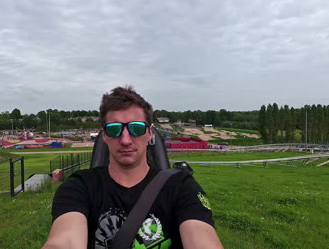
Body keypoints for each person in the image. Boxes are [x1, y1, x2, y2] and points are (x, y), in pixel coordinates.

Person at [43, 86, 223, 249]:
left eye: (136, 128)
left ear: (150, 133)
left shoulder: (181, 187)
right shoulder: (79, 187)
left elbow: (202, 238)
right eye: (114, 129)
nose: (126, 140)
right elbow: (65, 241)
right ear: (104, 135)